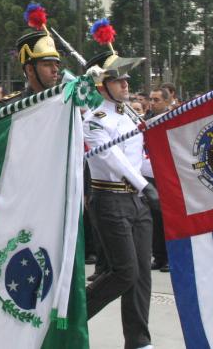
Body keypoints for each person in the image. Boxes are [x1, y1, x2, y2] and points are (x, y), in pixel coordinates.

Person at [82, 36, 159, 349]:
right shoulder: (94, 120)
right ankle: (72, 319)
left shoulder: (130, 114)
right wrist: (144, 185)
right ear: (102, 85)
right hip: (110, 199)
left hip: (136, 201)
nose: (126, 84)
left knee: (141, 276)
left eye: (126, 78)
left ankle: (138, 341)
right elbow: (111, 158)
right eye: (118, 79)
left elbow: (138, 159)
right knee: (124, 272)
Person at [145, 87, 172, 271]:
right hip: (150, 174)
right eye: (151, 99)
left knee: (168, 218)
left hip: (168, 175)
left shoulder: (173, 118)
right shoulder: (146, 120)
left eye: (157, 100)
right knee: (155, 217)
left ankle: (170, 257)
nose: (152, 103)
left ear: (167, 101)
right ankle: (159, 256)